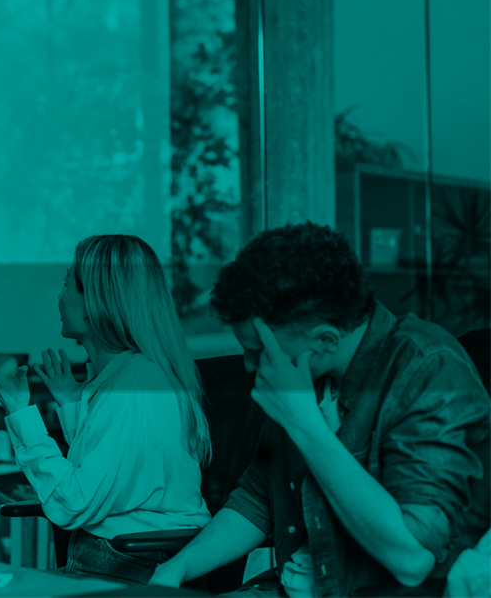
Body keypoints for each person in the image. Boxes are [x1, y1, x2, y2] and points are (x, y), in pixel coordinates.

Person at [150, 222, 491, 597]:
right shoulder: (305, 372)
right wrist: (176, 569)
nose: (249, 366)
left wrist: (304, 423)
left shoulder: (429, 368)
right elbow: (258, 498)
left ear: (326, 340)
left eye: (260, 351)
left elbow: (412, 558)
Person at [0, 234, 211, 584]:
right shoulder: (128, 375)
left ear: (93, 302)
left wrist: (20, 410)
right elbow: (117, 476)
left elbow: (74, 503)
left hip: (130, 564)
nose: (60, 298)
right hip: (118, 556)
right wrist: (74, 406)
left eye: (67, 285)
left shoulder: (134, 383)